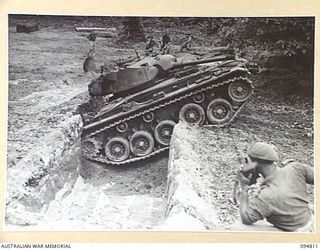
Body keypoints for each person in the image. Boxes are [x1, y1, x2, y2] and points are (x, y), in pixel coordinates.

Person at [237, 142, 314, 232]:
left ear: (256, 163)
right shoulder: (296, 167)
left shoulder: (266, 196)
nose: (244, 164)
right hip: (311, 220)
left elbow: (246, 218)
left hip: (298, 233)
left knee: (241, 228)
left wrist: (244, 188)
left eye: (247, 160)